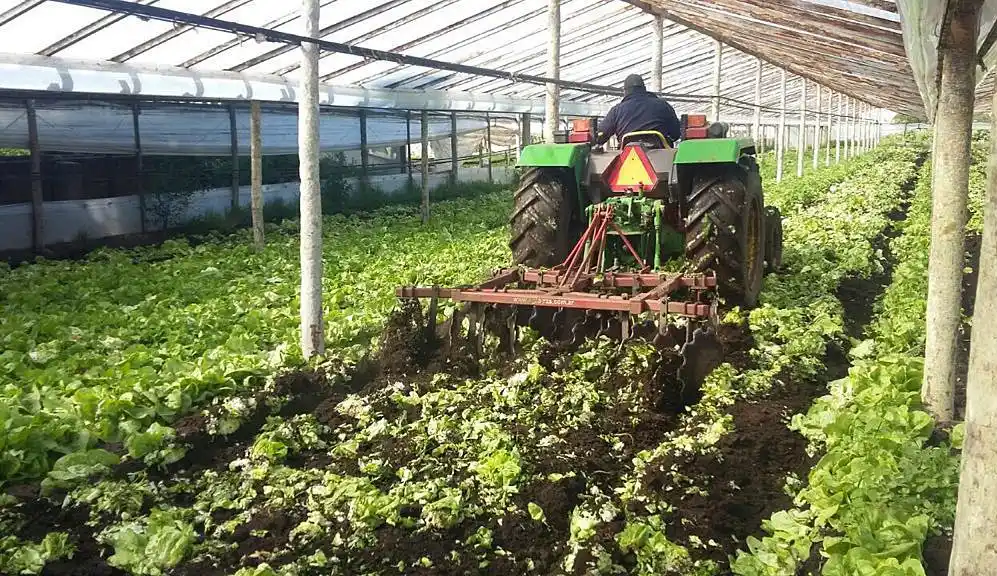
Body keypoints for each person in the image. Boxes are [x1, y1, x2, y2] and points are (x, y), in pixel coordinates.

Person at [595, 74, 682, 147]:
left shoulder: (616, 111)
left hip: (626, 157)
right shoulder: (663, 105)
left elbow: (601, 135)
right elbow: (676, 134)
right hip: (659, 155)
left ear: (625, 92)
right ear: (644, 88)